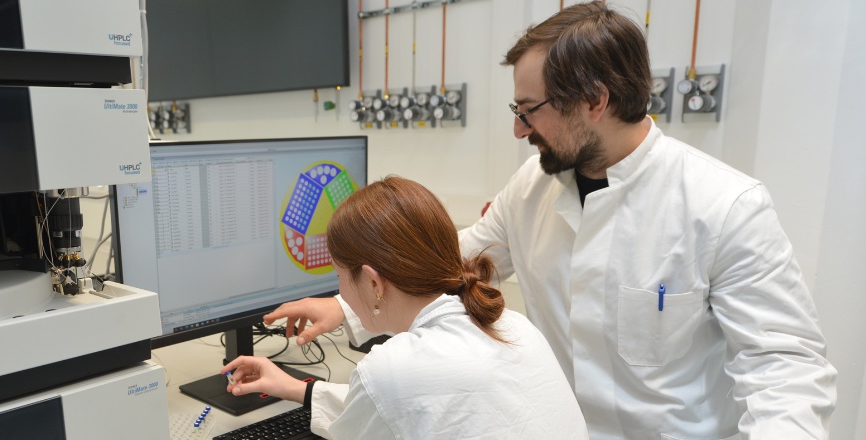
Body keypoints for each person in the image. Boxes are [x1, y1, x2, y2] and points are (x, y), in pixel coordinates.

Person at [264, 3, 838, 439]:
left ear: (595, 100)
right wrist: (345, 305)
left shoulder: (725, 206)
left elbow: (784, 372)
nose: (518, 130)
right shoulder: (534, 186)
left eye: (528, 110)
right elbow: (454, 262)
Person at [222, 176, 588, 439]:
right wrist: (296, 388)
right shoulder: (515, 325)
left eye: (339, 276)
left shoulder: (391, 368)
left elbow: (392, 399)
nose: (338, 290)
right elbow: (412, 405)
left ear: (374, 283)